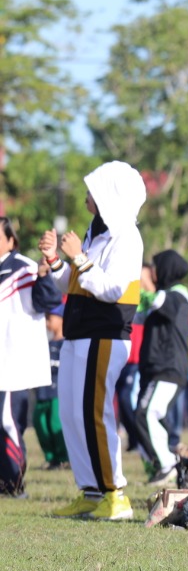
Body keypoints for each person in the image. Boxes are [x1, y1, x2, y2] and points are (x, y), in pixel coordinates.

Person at [40, 162, 146, 520]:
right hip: (78, 331)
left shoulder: (126, 236)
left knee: (94, 414)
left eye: (93, 189)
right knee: (71, 413)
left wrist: (79, 259)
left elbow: (112, 288)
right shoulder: (95, 230)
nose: (87, 195)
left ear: (109, 196)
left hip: (105, 333)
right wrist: (56, 261)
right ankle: (90, 490)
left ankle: (116, 496)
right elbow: (72, 285)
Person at [0, 216, 63, 496]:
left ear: (11, 240)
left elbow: (49, 303)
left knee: (8, 422)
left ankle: (13, 484)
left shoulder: (24, 268)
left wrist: (44, 275)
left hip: (14, 360)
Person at [134, 249, 188, 485]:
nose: (153, 273)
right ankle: (172, 465)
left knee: (147, 413)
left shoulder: (178, 295)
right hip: (156, 370)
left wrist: (140, 284)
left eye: (156, 268)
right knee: (149, 416)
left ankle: (168, 465)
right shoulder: (165, 296)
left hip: (168, 369)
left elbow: (156, 300)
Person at [34, 305, 69, 470]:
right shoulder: (44, 343)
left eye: (50, 317)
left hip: (57, 392)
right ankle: (51, 457)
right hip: (42, 391)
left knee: (55, 423)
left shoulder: (66, 344)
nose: (47, 321)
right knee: (39, 423)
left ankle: (63, 458)